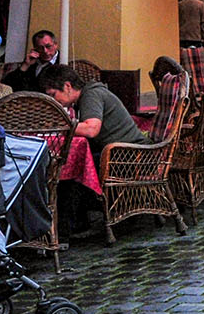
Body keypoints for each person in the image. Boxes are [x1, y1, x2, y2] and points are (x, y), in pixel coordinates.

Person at [40, 63, 144, 238]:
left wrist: (60, 126)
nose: (53, 100)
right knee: (71, 165)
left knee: (70, 171)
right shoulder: (88, 95)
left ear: (67, 86)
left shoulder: (91, 95)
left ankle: (69, 227)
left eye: (53, 95)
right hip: (119, 152)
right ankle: (74, 224)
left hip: (130, 156)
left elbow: (91, 129)